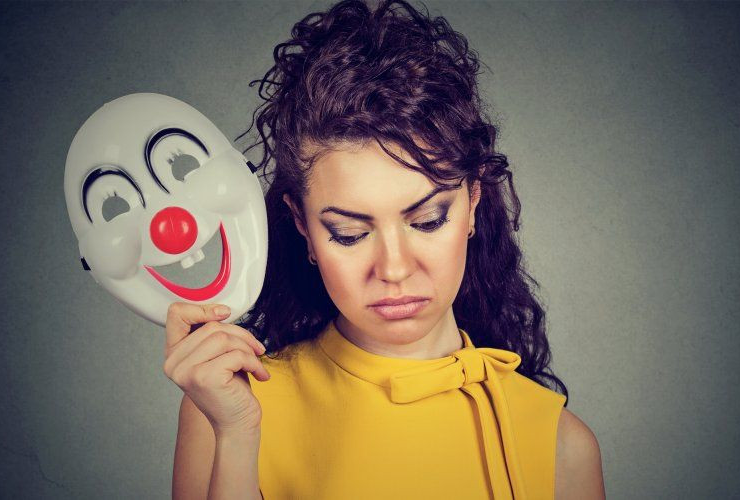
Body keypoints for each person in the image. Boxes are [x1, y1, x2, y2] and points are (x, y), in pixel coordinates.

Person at [162, 0, 605, 498]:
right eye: (349, 233)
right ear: (303, 227)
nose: (394, 269)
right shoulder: (228, 410)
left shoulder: (561, 446)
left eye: (428, 221)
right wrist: (237, 437)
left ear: (473, 203)